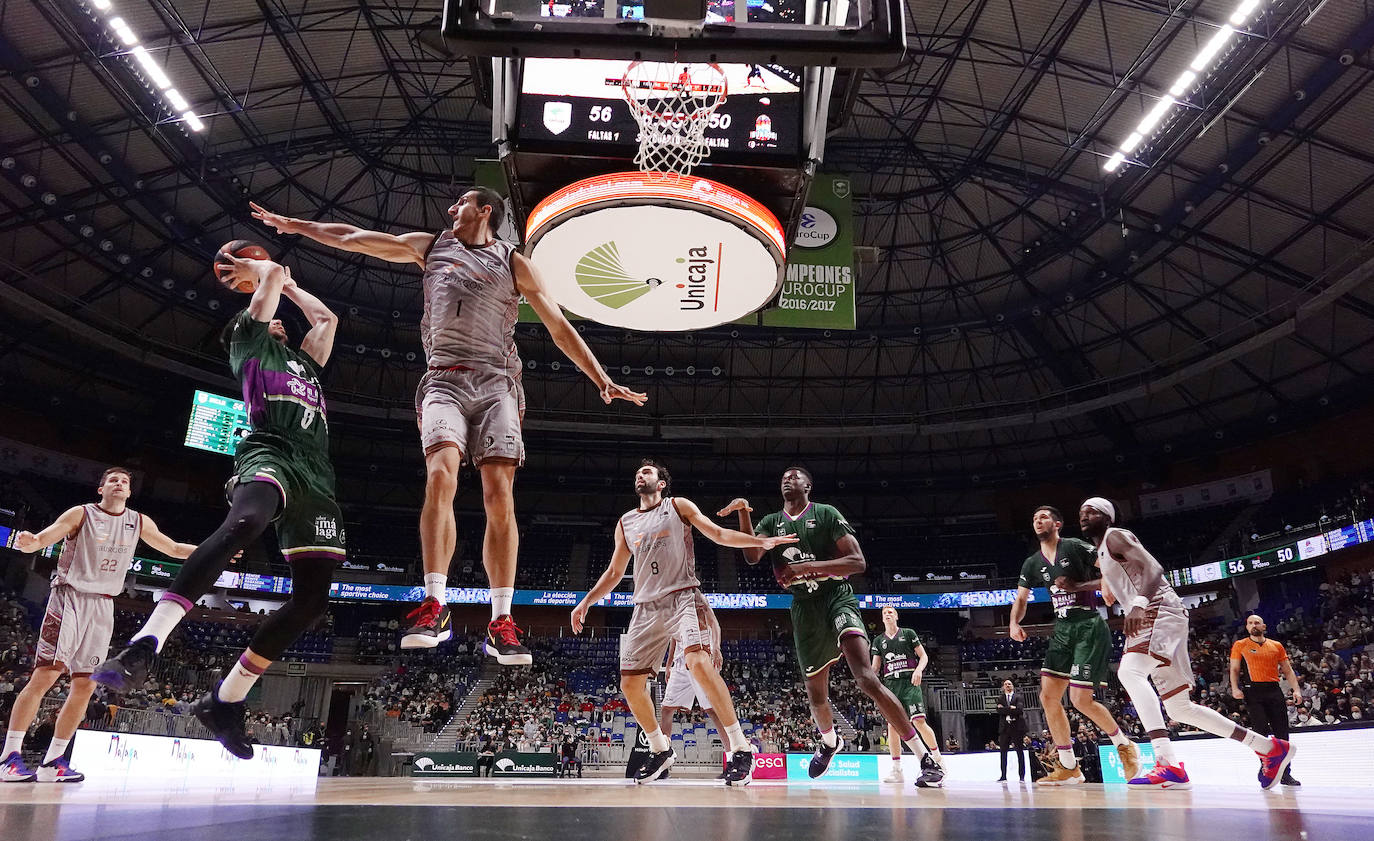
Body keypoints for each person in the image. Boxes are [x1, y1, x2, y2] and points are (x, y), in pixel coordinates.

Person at [249, 193, 646, 665]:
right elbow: (356, 239)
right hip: (442, 381)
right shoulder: (430, 246)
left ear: (485, 212)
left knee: (499, 493)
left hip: (498, 384)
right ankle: (435, 603)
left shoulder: (515, 264)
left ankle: (502, 620)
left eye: (460, 203)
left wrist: (600, 378)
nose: (450, 209)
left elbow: (559, 326)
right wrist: (295, 223)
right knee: (441, 476)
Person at [94, 256, 346, 760]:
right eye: (267, 310)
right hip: (268, 450)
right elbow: (270, 281)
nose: (275, 317)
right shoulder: (246, 341)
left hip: (318, 475)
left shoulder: (306, 364)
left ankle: (225, 700)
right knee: (247, 521)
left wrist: (291, 285)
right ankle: (146, 642)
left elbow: (327, 321)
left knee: (313, 601)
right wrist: (268, 268)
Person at [571, 459, 793, 785]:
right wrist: (587, 600)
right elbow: (616, 572)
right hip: (646, 608)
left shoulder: (678, 506)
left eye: (647, 472)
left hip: (682, 597)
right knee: (630, 685)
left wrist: (759, 542)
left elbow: (717, 533)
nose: (640, 475)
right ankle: (661, 750)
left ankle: (741, 749)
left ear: (661, 483)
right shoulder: (626, 522)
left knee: (699, 663)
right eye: (637, 472)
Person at [721, 467, 945, 788]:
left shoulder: (826, 513)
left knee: (867, 679)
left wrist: (808, 567)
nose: (788, 479)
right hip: (804, 609)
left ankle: (925, 758)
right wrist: (743, 514)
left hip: (835, 598)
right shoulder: (771, 521)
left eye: (795, 476)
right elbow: (753, 555)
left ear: (808, 485)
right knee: (816, 695)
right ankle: (829, 742)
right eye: (784, 476)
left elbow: (857, 562)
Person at [1079, 500, 1296, 792]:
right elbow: (1109, 592)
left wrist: (1140, 603)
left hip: (1157, 610)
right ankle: (1269, 749)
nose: (1084, 516)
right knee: (1180, 708)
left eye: (1091, 511)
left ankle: (1166, 763)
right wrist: (1078, 587)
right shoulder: (1104, 552)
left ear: (1107, 517)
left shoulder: (1116, 536)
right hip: (1156, 616)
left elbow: (1153, 567)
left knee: (1129, 672)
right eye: (1081, 513)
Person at [1, 468, 196, 784]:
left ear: (130, 492)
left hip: (104, 604)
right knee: (47, 675)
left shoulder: (139, 521)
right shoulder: (82, 513)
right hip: (70, 597)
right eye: (114, 480)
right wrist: (31, 541)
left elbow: (173, 549)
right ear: (101, 488)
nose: (120, 484)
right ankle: (9, 757)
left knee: (85, 685)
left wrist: (214, 552)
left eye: (126, 481)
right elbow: (45, 537)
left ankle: (53, 762)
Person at [1007, 504, 1139, 786]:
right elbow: (1020, 599)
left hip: (1088, 625)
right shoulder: (1032, 563)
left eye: (1043, 517)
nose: (1037, 521)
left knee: (1080, 700)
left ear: (1057, 523)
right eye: (1034, 518)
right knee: (1048, 698)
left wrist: (1102, 585)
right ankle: (1069, 767)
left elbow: (1112, 568)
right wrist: (1014, 623)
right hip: (1062, 630)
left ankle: (1124, 744)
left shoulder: (1075, 546)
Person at [869, 606, 943, 784]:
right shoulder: (879, 641)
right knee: (892, 726)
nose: (887, 614)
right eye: (884, 613)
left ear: (896, 616)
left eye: (890, 612)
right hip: (891, 685)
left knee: (919, 721)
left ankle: (938, 760)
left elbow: (923, 656)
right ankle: (897, 770)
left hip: (909, 683)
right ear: (882, 619)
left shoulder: (908, 633)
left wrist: (918, 670)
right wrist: (868, 681)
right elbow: (875, 668)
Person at [1230, 613, 1304, 786]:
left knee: (1282, 733)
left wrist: (1296, 690)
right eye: (1250, 623)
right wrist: (1234, 688)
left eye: (1257, 622)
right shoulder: (1240, 645)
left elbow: (1287, 670)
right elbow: (1234, 669)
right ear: (1247, 627)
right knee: (1260, 732)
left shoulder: (1276, 645)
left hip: (1273, 690)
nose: (1253, 625)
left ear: (1264, 626)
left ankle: (1286, 773)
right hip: (1252, 692)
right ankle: (1265, 766)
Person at [658, 635, 728, 774]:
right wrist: (668, 664)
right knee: (666, 709)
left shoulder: (702, 613)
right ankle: (663, 756)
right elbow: (674, 638)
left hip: (702, 661)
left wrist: (717, 648)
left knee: (713, 710)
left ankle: (733, 757)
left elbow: (714, 624)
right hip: (680, 664)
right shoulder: (676, 615)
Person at [996, 678, 1028, 782]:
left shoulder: (1018, 697)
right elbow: (999, 711)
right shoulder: (1000, 698)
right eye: (1006, 684)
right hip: (1005, 728)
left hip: (1016, 727)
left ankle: (1022, 776)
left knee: (1019, 751)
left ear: (1012, 686)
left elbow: (1019, 710)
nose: (1008, 685)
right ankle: (1003, 776)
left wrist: (1005, 709)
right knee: (1003, 752)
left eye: (1009, 684)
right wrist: (1010, 709)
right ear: (1003, 687)